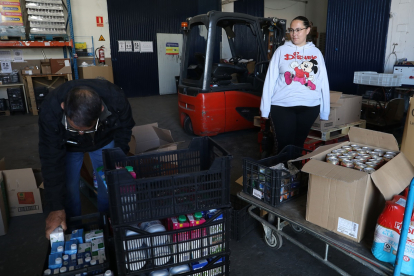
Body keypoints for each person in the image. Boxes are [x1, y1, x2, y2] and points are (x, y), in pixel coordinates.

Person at [39, 79, 135, 239]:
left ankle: (107, 221)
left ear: (101, 109)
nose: (81, 134)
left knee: (108, 182)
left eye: (88, 128)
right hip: (68, 145)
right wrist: (55, 207)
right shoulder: (50, 110)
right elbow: (50, 159)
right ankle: (74, 229)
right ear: (63, 107)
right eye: (75, 128)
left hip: (102, 140)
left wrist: (118, 157)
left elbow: (124, 128)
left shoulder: (116, 99)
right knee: (69, 186)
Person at [260, 16, 330, 153]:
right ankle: (283, 171)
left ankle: (294, 171)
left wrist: (324, 111)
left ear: (307, 30)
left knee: (298, 143)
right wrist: (265, 109)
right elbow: (270, 80)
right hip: (282, 106)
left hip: (309, 107)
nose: (294, 34)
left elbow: (323, 81)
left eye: (298, 30)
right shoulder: (281, 51)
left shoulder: (316, 53)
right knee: (284, 145)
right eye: (291, 30)